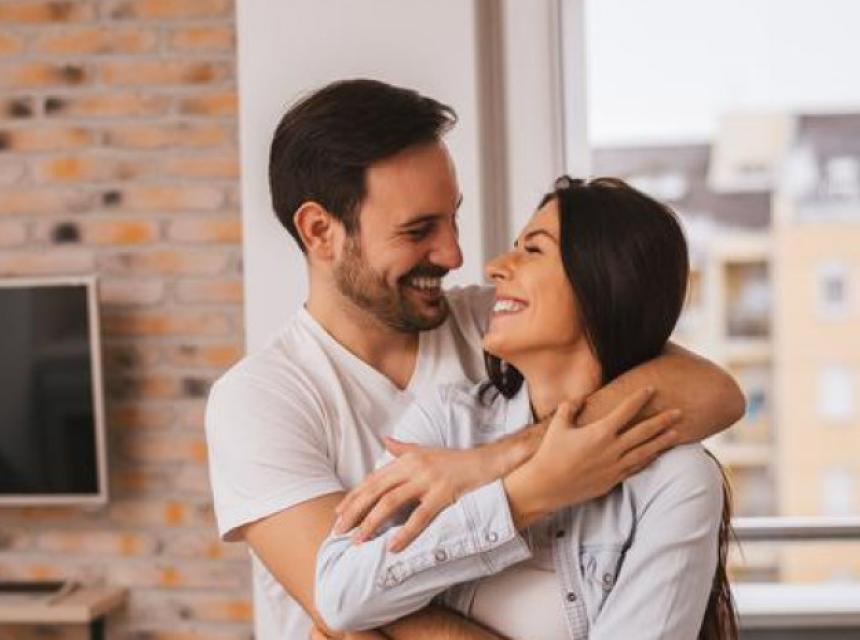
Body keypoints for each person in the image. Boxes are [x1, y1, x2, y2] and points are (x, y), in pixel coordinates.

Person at [205, 79, 745, 639]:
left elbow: (712, 391)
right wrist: (532, 487)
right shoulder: (259, 402)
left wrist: (494, 462)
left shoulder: (498, 325)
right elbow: (351, 614)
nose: (456, 254)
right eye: (418, 230)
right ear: (321, 231)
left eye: (452, 219)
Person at [315, 177, 737, 639]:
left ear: (603, 283)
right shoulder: (448, 425)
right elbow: (339, 596)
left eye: (533, 250)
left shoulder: (676, 480)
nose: (495, 267)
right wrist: (524, 496)